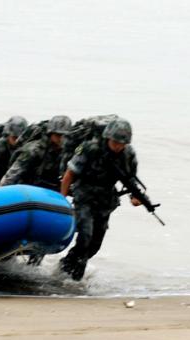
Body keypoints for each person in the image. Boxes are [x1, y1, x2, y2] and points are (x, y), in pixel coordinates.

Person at [58, 117, 141, 281]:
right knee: (85, 236)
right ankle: (75, 278)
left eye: (122, 143)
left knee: (95, 245)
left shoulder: (128, 154)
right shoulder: (90, 148)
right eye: (115, 142)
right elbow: (69, 175)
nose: (118, 146)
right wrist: (62, 201)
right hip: (84, 196)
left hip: (105, 201)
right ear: (108, 137)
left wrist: (135, 198)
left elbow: (131, 179)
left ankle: (66, 264)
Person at [0, 115, 72, 189]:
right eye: (58, 135)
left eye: (64, 136)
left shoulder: (65, 152)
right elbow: (11, 176)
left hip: (48, 192)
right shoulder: (33, 150)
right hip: (26, 190)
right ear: (50, 134)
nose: (61, 139)